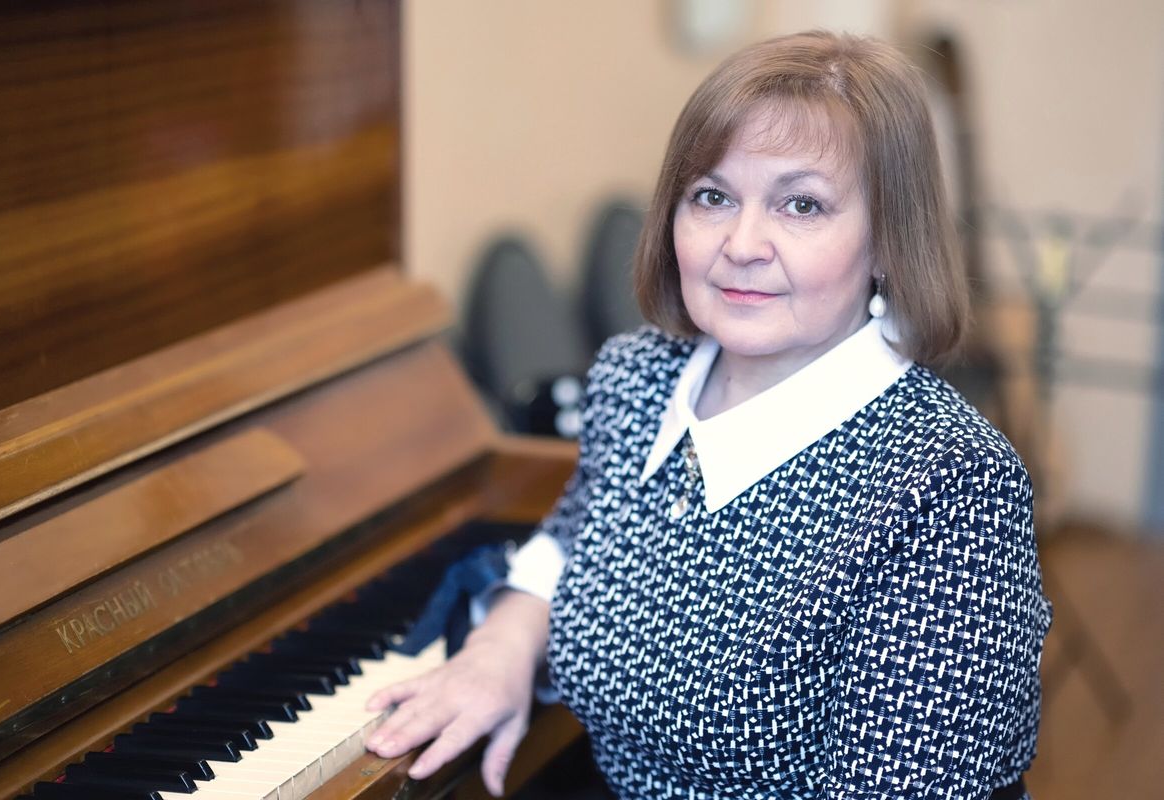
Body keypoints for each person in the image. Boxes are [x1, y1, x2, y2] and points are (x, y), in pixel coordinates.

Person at [365, 30, 1052, 800]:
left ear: (889, 239)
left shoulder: (950, 483)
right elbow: (574, 534)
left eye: (800, 204)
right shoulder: (637, 374)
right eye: (712, 196)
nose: (741, 243)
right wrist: (503, 642)